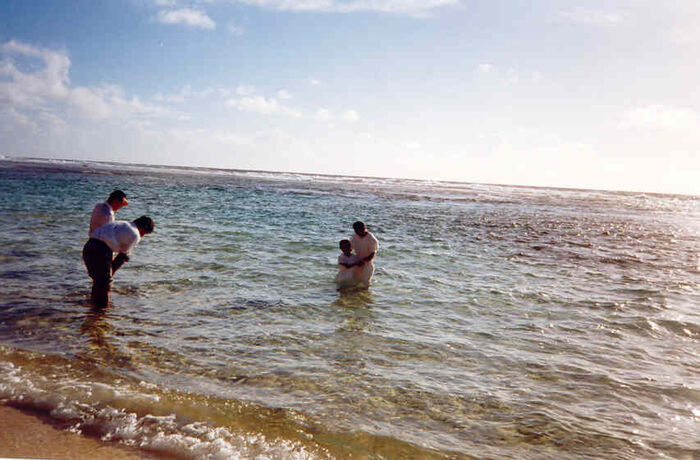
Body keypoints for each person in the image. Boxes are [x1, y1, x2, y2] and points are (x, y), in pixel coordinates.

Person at [82, 216, 154, 307]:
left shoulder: (121, 223)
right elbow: (122, 257)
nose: (142, 236)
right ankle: (102, 312)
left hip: (88, 247)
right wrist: (110, 276)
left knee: (98, 282)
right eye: (144, 233)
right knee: (104, 284)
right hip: (101, 250)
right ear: (143, 228)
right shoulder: (135, 234)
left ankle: (94, 307)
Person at [349, 221, 379, 285]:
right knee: (353, 284)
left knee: (365, 285)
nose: (357, 232)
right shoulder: (354, 237)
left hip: (367, 265)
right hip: (357, 263)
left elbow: (373, 254)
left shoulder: (371, 239)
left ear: (364, 228)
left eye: (359, 230)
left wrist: (363, 261)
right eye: (355, 230)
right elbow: (349, 248)